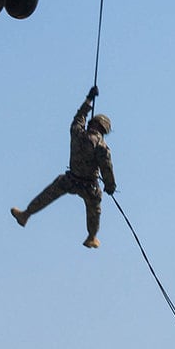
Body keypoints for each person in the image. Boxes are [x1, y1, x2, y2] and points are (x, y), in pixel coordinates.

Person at [11, 85, 116, 248]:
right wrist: (110, 186)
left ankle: (25, 214)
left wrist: (89, 100)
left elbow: (79, 117)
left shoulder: (77, 132)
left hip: (71, 179)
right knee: (94, 210)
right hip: (89, 186)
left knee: (48, 194)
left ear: (92, 123)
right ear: (104, 130)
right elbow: (106, 168)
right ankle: (91, 237)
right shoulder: (101, 146)